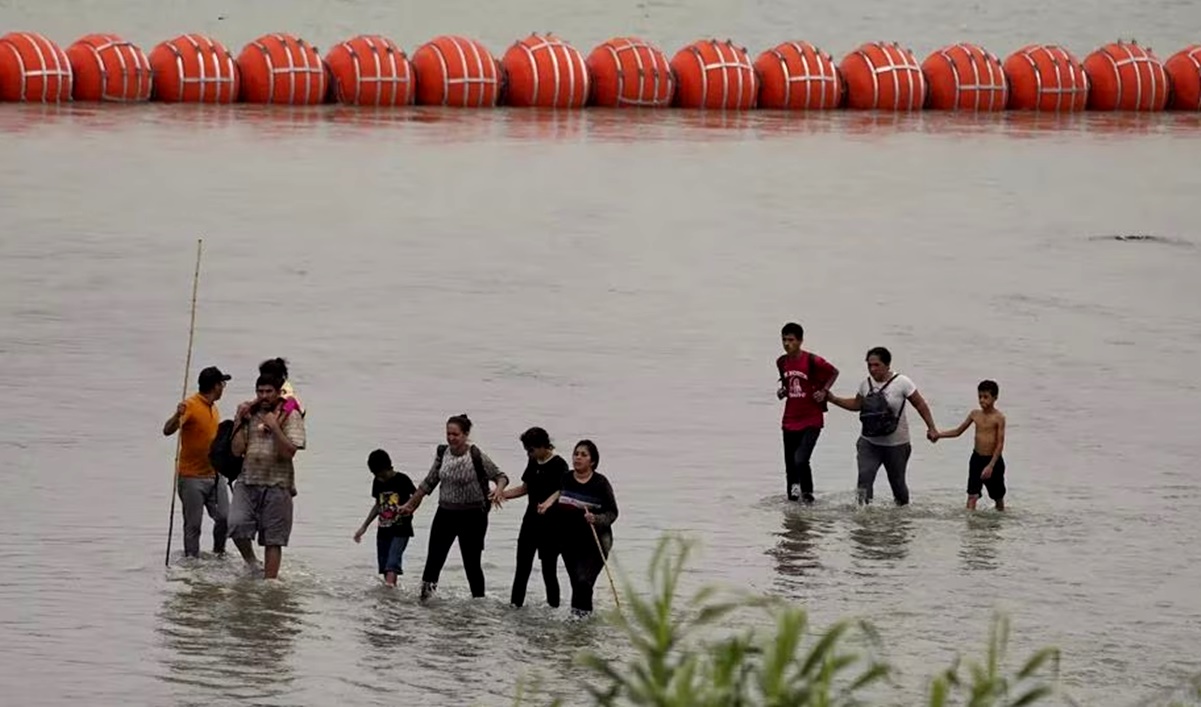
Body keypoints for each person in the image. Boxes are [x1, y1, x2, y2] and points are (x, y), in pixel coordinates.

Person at [398, 414, 509, 602]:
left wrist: (498, 490)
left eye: (455, 434)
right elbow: (429, 482)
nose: (451, 438)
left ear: (465, 434)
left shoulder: (475, 455)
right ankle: (424, 601)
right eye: (448, 434)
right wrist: (410, 505)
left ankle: (478, 604)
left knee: (471, 563)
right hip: (445, 514)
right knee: (434, 560)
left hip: (473, 516)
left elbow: (501, 476)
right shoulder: (443, 453)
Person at [827, 347, 938, 506]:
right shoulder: (865, 384)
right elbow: (856, 404)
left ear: (887, 365)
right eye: (869, 365)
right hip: (869, 443)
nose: (872, 369)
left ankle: (902, 518)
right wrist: (833, 399)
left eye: (876, 365)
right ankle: (863, 518)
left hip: (897, 445)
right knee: (864, 478)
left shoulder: (902, 383)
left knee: (897, 484)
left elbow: (920, 404)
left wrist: (931, 428)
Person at [228, 372, 307, 579]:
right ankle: (252, 563)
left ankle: (269, 583)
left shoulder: (291, 414)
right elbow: (237, 451)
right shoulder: (250, 414)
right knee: (235, 524)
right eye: (260, 391)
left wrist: (274, 427)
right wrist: (238, 420)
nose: (263, 396)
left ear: (278, 392)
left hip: (278, 483)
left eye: (268, 391)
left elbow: (289, 452)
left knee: (273, 539)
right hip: (247, 480)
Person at [162, 366, 232, 559]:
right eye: (222, 384)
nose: (224, 388)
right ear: (215, 386)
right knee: (193, 526)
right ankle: (192, 561)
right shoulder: (191, 405)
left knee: (225, 518)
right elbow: (167, 430)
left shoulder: (214, 408)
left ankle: (219, 554)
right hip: (191, 477)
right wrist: (177, 415)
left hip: (215, 475)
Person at [503, 427, 570, 608]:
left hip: (551, 526)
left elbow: (565, 489)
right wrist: (501, 494)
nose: (529, 453)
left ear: (543, 446)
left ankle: (554, 610)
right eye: (527, 450)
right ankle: (514, 608)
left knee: (549, 572)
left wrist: (549, 501)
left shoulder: (559, 465)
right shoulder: (533, 461)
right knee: (522, 570)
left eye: (531, 449)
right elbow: (525, 488)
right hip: (530, 523)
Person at [775, 322, 839, 504]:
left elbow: (834, 372)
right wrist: (783, 391)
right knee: (790, 463)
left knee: (801, 459)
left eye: (791, 340)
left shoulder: (813, 360)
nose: (787, 344)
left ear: (800, 341)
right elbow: (788, 384)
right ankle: (794, 498)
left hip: (811, 419)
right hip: (790, 419)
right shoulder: (781, 362)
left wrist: (824, 390)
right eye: (784, 340)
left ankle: (809, 496)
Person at [555, 440, 618, 617]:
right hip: (569, 541)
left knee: (584, 582)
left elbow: (612, 512)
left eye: (583, 455)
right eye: (576, 454)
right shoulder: (566, 478)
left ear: (592, 461)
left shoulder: (600, 483)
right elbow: (559, 498)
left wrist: (596, 518)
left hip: (596, 541)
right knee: (576, 582)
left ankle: (584, 621)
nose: (578, 458)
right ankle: (577, 624)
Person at [933, 380, 1007, 511]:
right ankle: (970, 526)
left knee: (997, 497)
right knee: (972, 495)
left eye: (986, 397)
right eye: (980, 397)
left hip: (993, 461)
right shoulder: (975, 414)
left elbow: (1000, 444)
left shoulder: (999, 418)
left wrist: (991, 466)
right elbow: (958, 431)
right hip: (977, 459)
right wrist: (939, 435)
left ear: (995, 398)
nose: (982, 400)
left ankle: (998, 523)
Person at [353, 449, 417, 586]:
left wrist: (410, 507)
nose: (379, 478)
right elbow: (378, 505)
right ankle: (390, 599)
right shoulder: (377, 482)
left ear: (387, 468)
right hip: (383, 530)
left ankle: (389, 594)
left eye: (380, 474)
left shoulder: (402, 480)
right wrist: (364, 526)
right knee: (384, 567)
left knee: (392, 564)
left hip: (401, 529)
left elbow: (417, 495)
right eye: (375, 475)